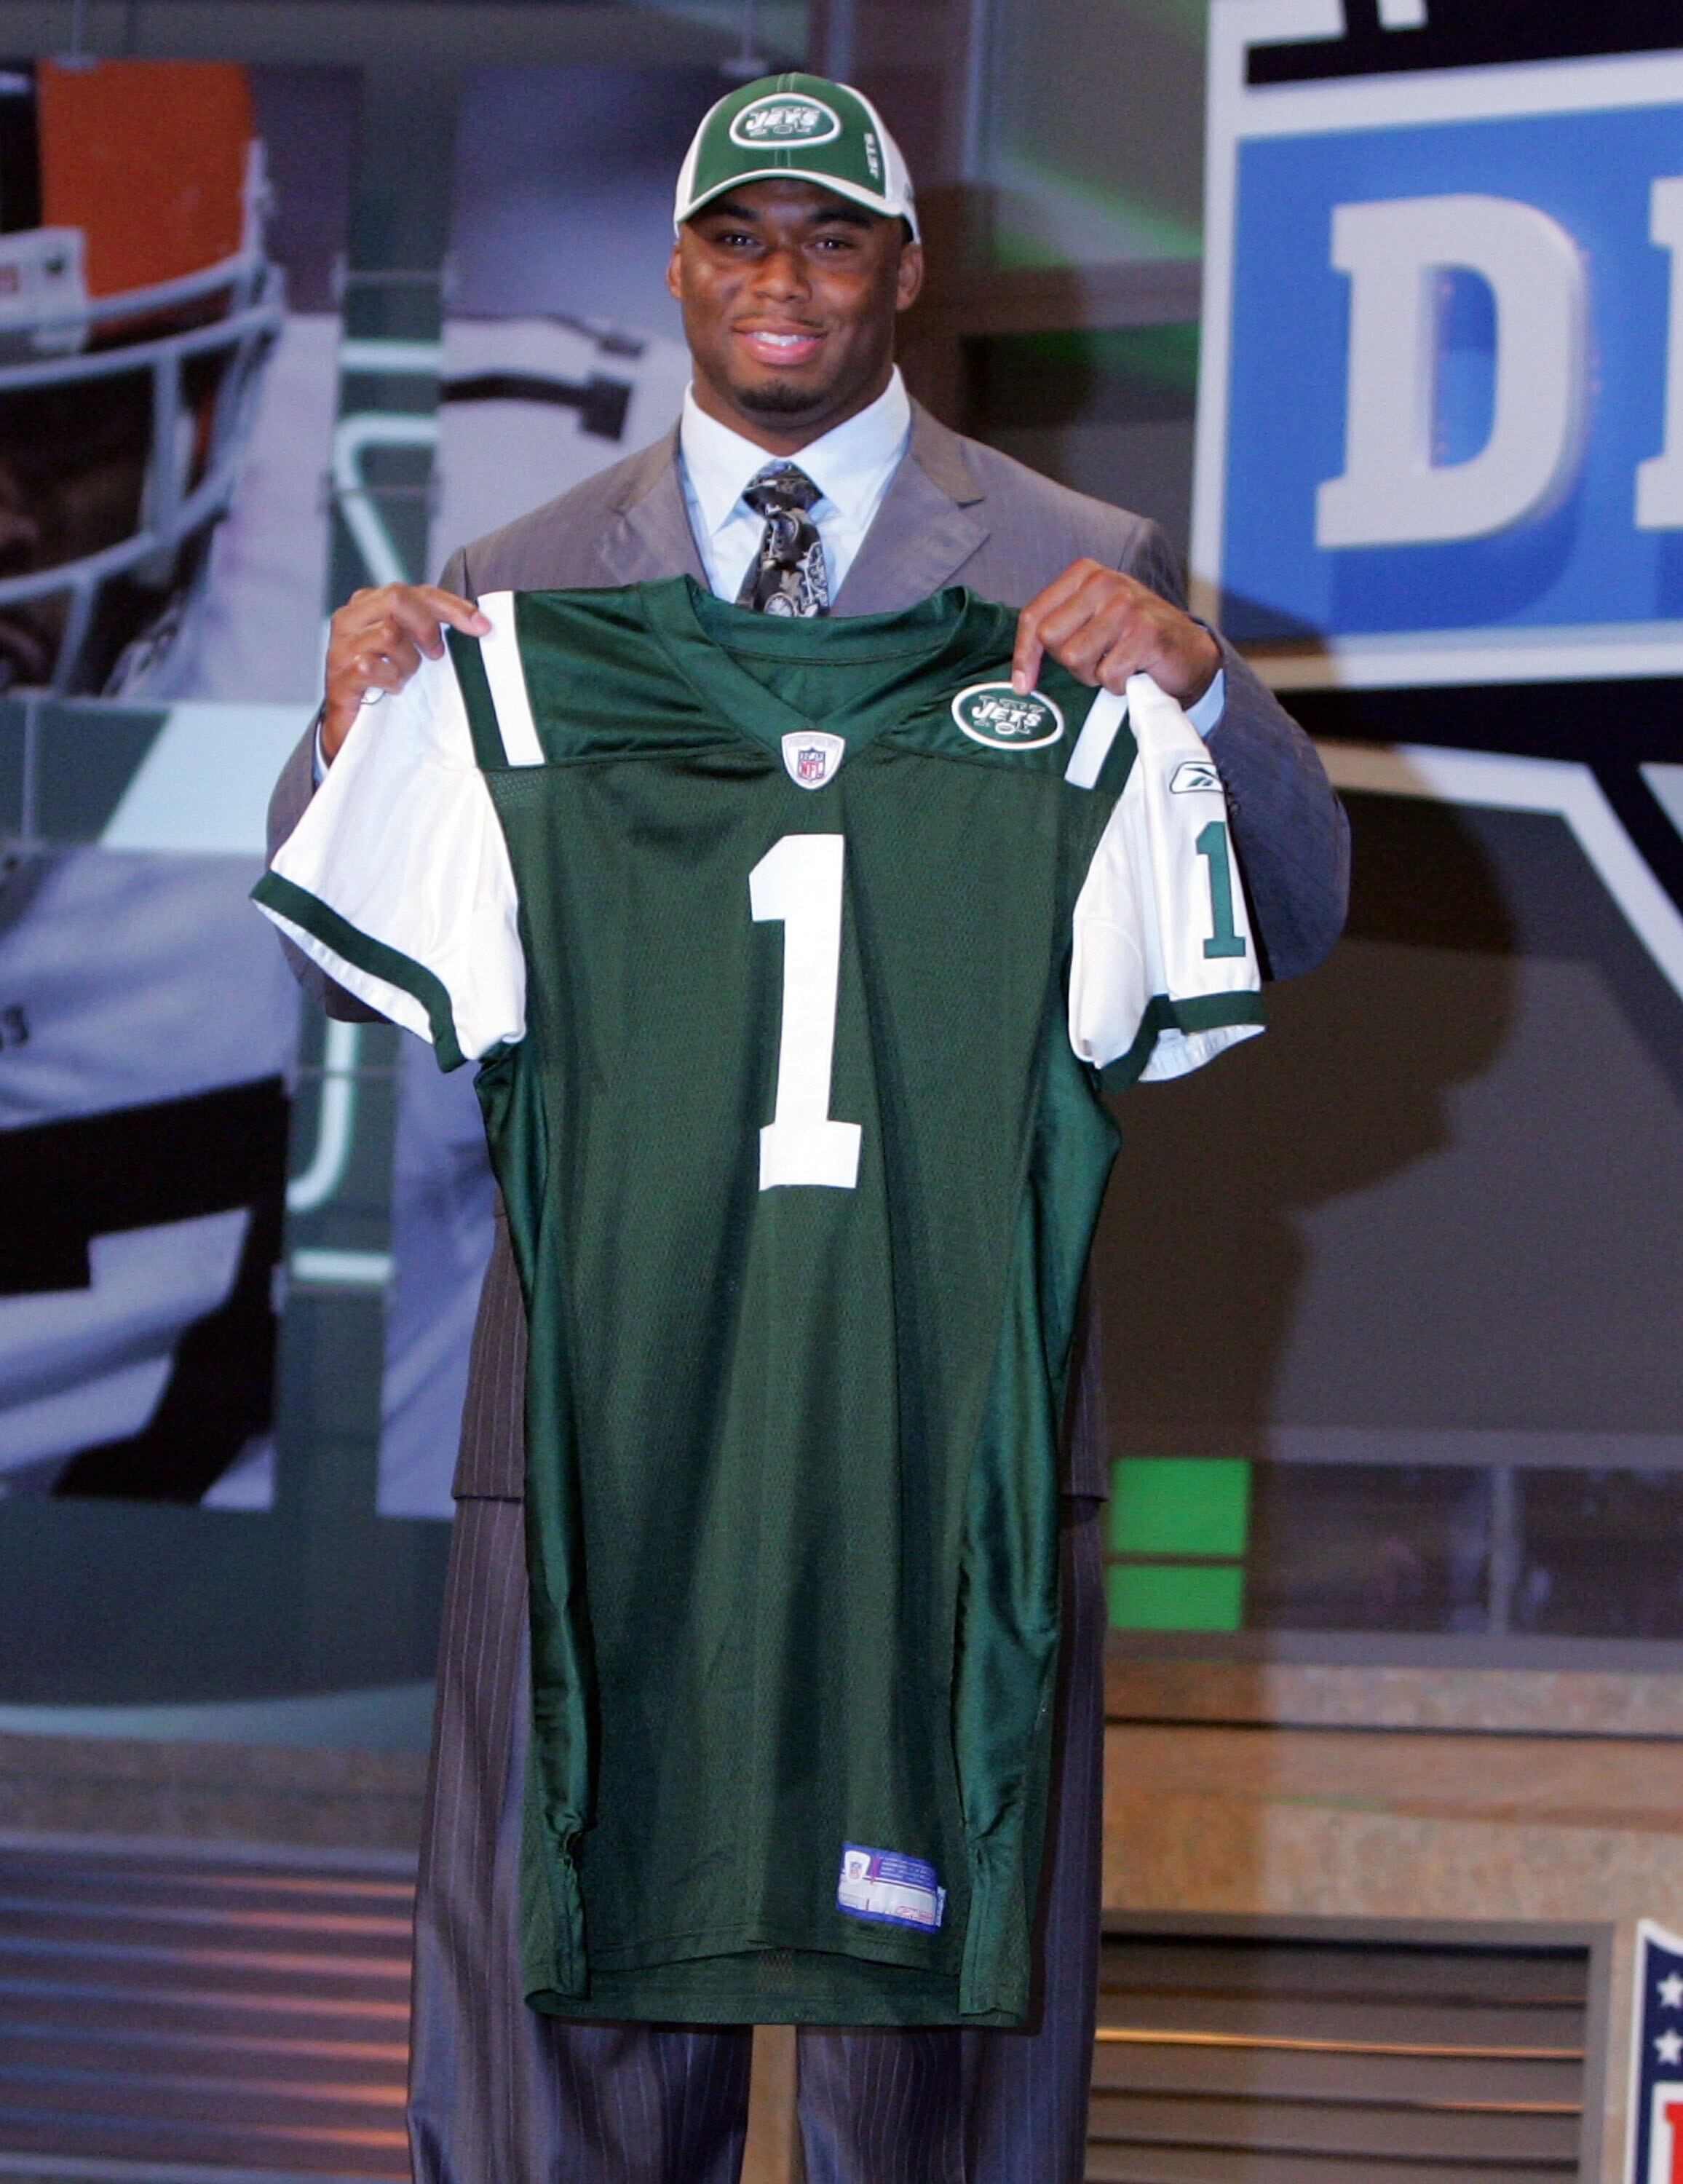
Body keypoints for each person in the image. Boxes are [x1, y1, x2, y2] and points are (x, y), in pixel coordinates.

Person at [268, 72, 1347, 2184]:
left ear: (905, 274)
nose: (785, 282)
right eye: (743, 239)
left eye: (833, 240)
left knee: (934, 2060)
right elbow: (341, 973)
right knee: (562, 2028)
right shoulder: (520, 581)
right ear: (678, 267)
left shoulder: (1084, 563)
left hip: (943, 1415)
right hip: (605, 1399)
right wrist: (345, 743)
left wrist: (1205, 693)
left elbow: (1285, 917)